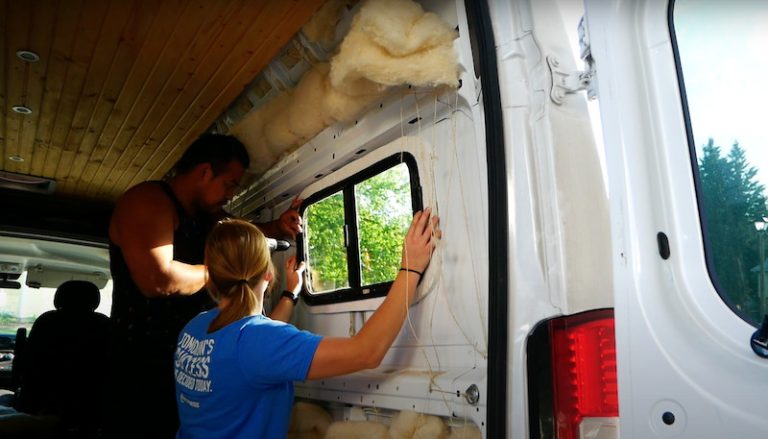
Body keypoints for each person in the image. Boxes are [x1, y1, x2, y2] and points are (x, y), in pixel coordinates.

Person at [173, 208, 439, 438]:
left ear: (212, 276)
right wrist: (410, 267)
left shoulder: (194, 328)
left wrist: (291, 293)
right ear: (268, 273)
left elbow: (253, 354)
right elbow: (366, 352)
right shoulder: (258, 342)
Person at [106, 133, 303, 439]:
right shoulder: (147, 202)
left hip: (197, 361)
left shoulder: (209, 216)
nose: (231, 194)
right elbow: (158, 279)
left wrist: (278, 227)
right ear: (205, 172)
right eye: (230, 184)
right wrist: (225, 272)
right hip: (142, 364)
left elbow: (242, 235)